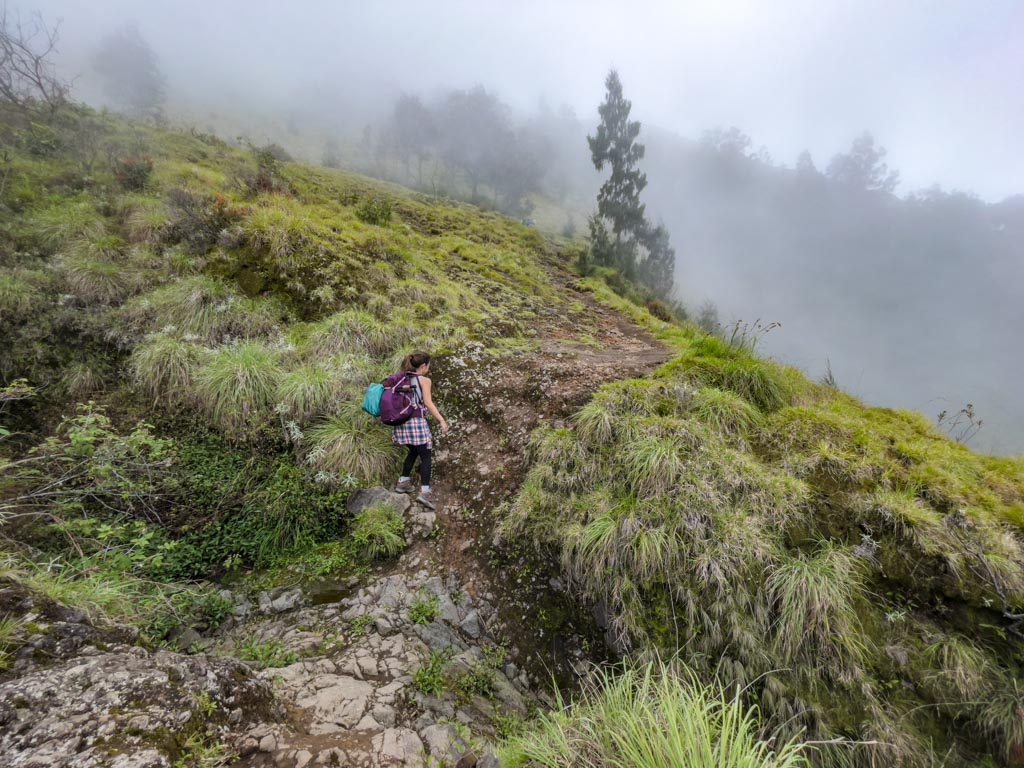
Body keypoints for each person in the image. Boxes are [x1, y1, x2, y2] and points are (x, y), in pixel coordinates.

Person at [393, 351, 448, 509]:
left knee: (414, 451)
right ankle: (425, 492)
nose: (429, 368)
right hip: (416, 422)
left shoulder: (401, 378)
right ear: (423, 366)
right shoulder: (424, 380)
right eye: (428, 365)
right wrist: (441, 420)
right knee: (426, 455)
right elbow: (428, 403)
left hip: (401, 423)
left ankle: (403, 482)